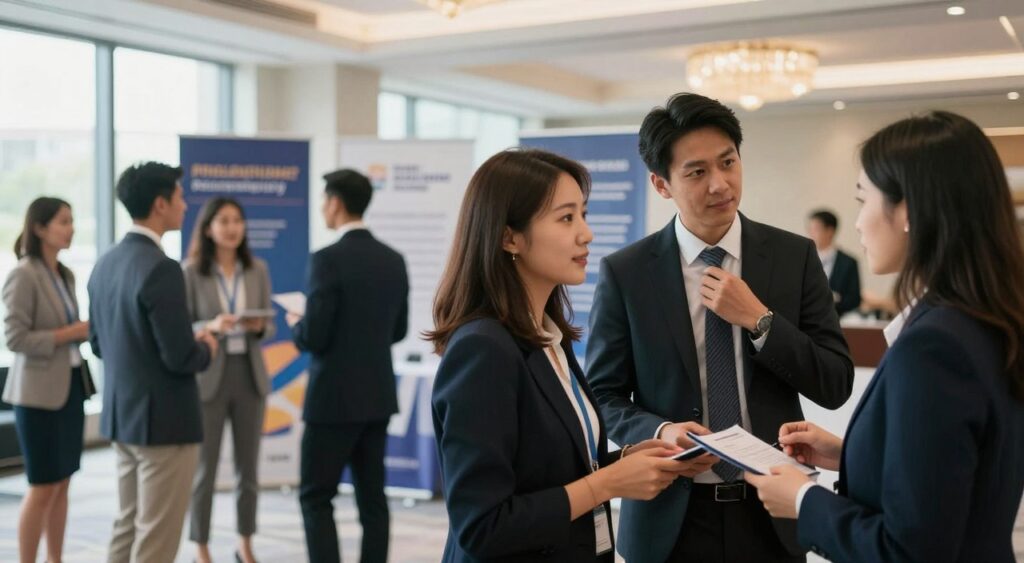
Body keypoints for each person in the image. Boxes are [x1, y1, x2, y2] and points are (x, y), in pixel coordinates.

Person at [586, 93, 854, 563]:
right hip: (670, 519)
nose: (720, 184)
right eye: (697, 172)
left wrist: (760, 321)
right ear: (661, 183)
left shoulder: (794, 257)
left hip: (773, 511)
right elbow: (603, 396)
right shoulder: (627, 273)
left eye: (728, 162)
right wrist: (662, 429)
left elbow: (835, 383)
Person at [746, 111, 1024, 563]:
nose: (857, 224)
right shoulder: (986, 319)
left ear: (908, 210)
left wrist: (802, 501)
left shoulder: (936, 347)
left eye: (863, 200)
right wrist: (853, 453)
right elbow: (958, 474)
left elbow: (910, 550)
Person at [427, 148, 713, 562]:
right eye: (566, 218)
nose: (586, 233)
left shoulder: (549, 336)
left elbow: (550, 471)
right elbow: (482, 525)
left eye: (583, 214)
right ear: (510, 237)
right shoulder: (484, 349)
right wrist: (608, 483)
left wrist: (633, 459)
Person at [88, 162, 218, 563]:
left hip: (124, 417)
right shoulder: (162, 268)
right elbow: (180, 357)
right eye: (180, 197)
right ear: (160, 204)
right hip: (165, 425)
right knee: (157, 539)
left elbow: (98, 343)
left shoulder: (106, 262)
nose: (185, 203)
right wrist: (207, 346)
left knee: (127, 525)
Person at [289, 168, 409, 563]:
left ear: (336, 203)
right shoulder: (393, 259)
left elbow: (316, 337)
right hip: (376, 397)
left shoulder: (326, 260)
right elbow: (398, 330)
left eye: (325, 200)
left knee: (316, 496)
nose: (323, 207)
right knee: (373, 500)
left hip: (332, 402)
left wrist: (297, 325)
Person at [3, 197, 95, 563]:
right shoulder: (23, 273)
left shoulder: (65, 274)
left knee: (63, 483)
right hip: (37, 395)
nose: (71, 228)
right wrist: (68, 333)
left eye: (72, 221)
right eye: (63, 221)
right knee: (42, 487)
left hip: (71, 388)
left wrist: (80, 332)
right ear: (40, 228)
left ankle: (55, 559)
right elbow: (15, 338)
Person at [183, 197, 274, 563]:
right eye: (224, 221)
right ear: (208, 228)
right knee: (204, 470)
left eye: (237, 220)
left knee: (248, 469)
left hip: (249, 375)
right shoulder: (190, 271)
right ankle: (201, 546)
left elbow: (270, 327)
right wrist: (211, 326)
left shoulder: (257, 269)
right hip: (209, 374)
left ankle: (245, 543)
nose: (232, 227)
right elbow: (182, 328)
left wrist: (257, 326)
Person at [806, 209, 862, 317]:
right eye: (810, 229)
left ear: (830, 231)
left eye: (816, 229)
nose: (810, 233)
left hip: (838, 320)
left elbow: (854, 300)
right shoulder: (804, 259)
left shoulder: (848, 262)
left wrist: (834, 298)